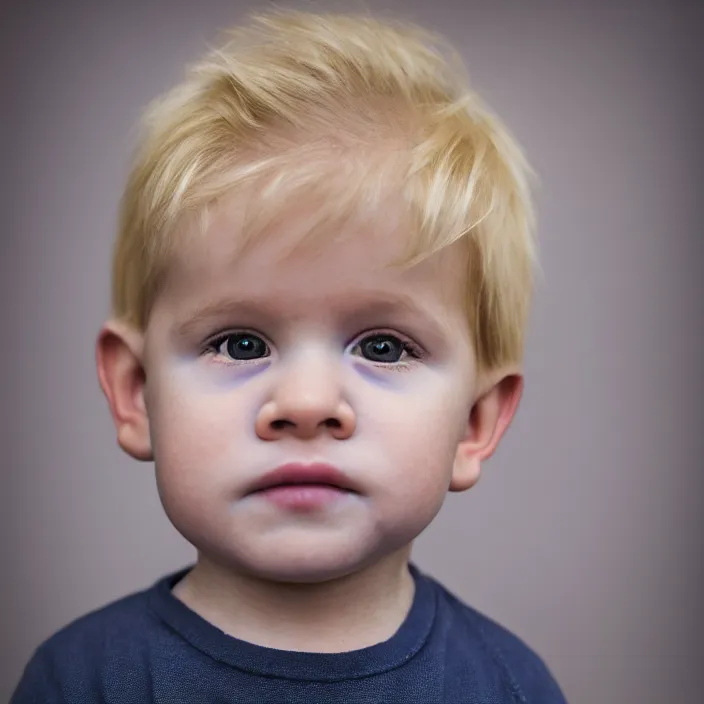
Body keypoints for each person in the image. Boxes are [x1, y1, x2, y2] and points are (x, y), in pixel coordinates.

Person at [12, 9, 567, 703]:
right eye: (240, 343)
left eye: (384, 346)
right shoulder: (81, 681)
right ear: (135, 390)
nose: (306, 404)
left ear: (475, 422)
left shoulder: (508, 687)